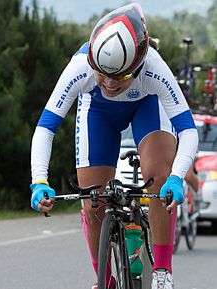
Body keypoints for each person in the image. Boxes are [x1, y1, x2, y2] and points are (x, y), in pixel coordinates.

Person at [30, 3, 198, 289]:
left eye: (119, 76)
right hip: (98, 113)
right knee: (92, 200)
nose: (108, 83)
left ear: (138, 65)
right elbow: (46, 127)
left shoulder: (155, 68)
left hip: (146, 107)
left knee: (158, 178)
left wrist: (177, 177)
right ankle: (104, 279)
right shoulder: (80, 67)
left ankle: (162, 272)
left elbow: (188, 130)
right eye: (101, 73)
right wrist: (39, 180)